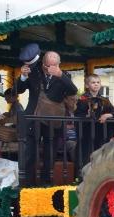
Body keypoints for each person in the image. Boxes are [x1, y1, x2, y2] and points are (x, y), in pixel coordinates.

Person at [13, 45, 78, 184]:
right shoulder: (33, 72)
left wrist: (60, 75)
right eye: (47, 65)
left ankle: (45, 183)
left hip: (53, 121)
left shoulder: (64, 75)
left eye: (54, 65)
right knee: (30, 153)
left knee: (50, 155)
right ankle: (27, 184)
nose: (50, 68)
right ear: (42, 63)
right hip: (33, 119)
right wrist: (23, 77)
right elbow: (17, 90)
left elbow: (73, 90)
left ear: (59, 64)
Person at [75, 74, 114, 164]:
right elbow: (78, 115)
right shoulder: (82, 99)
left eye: (98, 82)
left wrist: (108, 115)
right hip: (86, 133)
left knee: (99, 157)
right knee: (85, 157)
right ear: (87, 85)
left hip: (100, 134)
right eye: (93, 82)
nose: (96, 84)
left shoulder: (104, 100)